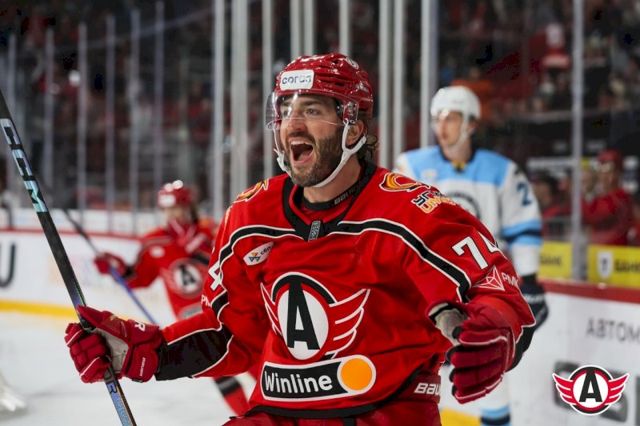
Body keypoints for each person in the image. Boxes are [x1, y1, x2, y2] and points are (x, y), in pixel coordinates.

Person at [64, 53, 535, 425]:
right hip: (276, 414)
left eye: (311, 110)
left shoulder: (412, 211)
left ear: (353, 125)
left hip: (381, 415)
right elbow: (231, 334)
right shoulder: (250, 215)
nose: (292, 123)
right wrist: (143, 352)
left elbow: (495, 294)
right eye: (286, 110)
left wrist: (495, 331)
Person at [395, 85, 548, 426]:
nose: (442, 126)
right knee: (418, 385)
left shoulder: (502, 171)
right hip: (426, 290)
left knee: (489, 381)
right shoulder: (411, 165)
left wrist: (530, 279)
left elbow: (522, 225)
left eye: (451, 118)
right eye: (437, 118)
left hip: (482, 287)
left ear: (472, 124)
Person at [93, 180, 250, 416]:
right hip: (194, 322)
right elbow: (140, 277)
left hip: (227, 311)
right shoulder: (155, 241)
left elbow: (238, 262)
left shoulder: (211, 231)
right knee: (220, 373)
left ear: (189, 207)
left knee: (258, 364)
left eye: (176, 207)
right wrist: (117, 269)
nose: (172, 214)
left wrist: (204, 249)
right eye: (167, 209)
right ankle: (248, 418)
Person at [581, 149, 633, 246]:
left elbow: (593, 216)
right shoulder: (599, 197)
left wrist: (586, 191)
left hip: (617, 252)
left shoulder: (622, 197)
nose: (604, 177)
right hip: (598, 251)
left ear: (618, 174)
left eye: (609, 172)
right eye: (601, 172)